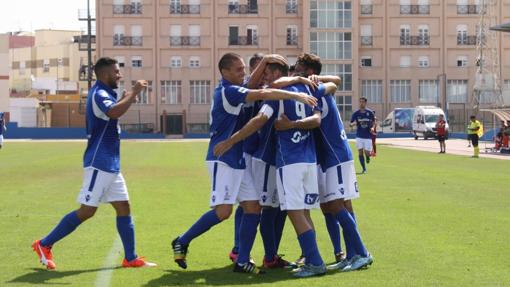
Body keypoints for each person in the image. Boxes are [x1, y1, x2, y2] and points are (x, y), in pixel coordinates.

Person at [171, 52, 317, 274]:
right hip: (224, 157)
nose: (244, 74)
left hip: (237, 157)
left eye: (244, 69)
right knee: (223, 212)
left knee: (253, 207)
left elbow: (256, 83)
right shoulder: (229, 91)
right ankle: (182, 240)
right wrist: (295, 95)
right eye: (239, 70)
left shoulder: (236, 86)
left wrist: (271, 64)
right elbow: (261, 91)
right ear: (225, 72)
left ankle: (242, 260)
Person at [32, 57, 157, 270]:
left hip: (111, 164)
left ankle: (130, 257)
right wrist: (134, 93)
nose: (119, 75)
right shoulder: (99, 94)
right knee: (87, 211)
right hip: (99, 162)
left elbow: (114, 109)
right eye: (116, 72)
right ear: (105, 74)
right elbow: (113, 112)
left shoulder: (106, 93)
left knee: (123, 206)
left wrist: (127, 97)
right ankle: (44, 244)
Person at [293, 53, 373, 272]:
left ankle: (362, 253)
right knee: (341, 205)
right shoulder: (317, 87)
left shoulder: (313, 90)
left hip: (335, 156)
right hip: (335, 155)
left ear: (309, 71)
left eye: (298, 67)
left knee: (336, 205)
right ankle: (352, 253)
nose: (295, 70)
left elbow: (334, 82)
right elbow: (335, 81)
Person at [350, 97, 376, 174]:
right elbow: (351, 123)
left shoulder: (370, 112)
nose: (361, 103)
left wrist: (372, 128)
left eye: (363, 102)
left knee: (367, 153)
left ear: (365, 103)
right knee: (360, 152)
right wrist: (353, 124)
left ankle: (368, 156)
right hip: (359, 136)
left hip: (368, 136)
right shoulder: (356, 113)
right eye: (360, 102)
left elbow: (374, 122)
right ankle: (364, 169)